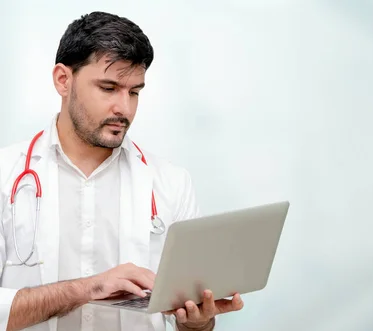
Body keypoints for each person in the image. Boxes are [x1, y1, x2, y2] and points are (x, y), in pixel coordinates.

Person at [0, 11, 243, 331]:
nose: (124, 109)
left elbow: (187, 321)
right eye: (109, 88)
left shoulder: (171, 183)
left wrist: (198, 324)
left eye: (134, 92)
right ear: (63, 80)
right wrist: (87, 289)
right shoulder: (6, 174)